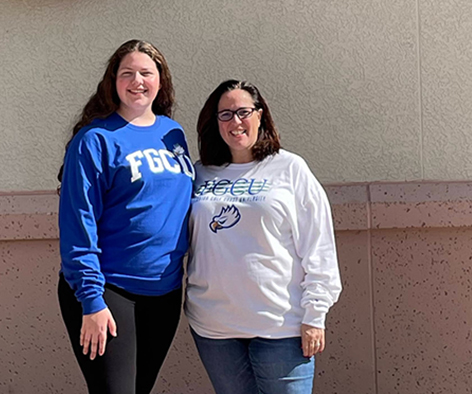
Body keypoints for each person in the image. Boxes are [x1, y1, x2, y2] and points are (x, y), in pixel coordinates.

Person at [185, 80, 342, 394]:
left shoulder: (289, 169)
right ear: (213, 123)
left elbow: (319, 247)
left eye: (244, 111)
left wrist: (315, 315)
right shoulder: (199, 174)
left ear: (261, 116)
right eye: (225, 114)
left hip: (280, 327)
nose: (236, 122)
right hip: (215, 329)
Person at [57, 39, 194, 394]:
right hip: (109, 290)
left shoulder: (172, 134)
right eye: (127, 73)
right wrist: (91, 299)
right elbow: (78, 223)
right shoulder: (94, 140)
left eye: (146, 73)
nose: (137, 81)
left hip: (164, 293)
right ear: (112, 82)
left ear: (160, 81)